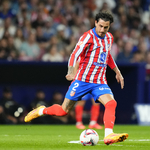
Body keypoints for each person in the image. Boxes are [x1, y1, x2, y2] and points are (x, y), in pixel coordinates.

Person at [24, 10, 128, 145]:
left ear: (109, 26)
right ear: (95, 22)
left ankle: (109, 135)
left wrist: (117, 71)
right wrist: (71, 71)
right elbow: (74, 54)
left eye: (105, 27)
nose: (102, 30)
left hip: (99, 81)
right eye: (100, 26)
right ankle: (41, 110)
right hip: (82, 80)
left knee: (111, 103)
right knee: (63, 111)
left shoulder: (109, 38)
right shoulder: (87, 37)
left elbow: (106, 55)